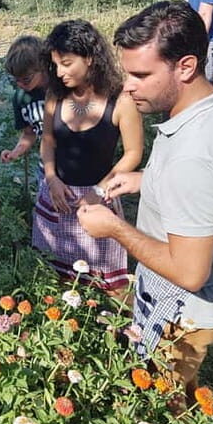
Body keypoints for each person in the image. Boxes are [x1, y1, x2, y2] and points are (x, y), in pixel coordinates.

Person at [77, 1, 213, 398]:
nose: (128, 86)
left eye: (141, 75)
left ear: (186, 67)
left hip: (185, 312)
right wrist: (148, 179)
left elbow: (190, 273)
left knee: (165, 402)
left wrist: (115, 227)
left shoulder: (192, 159)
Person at [33, 19, 143, 294]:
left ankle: (123, 331)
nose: (59, 73)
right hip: (56, 198)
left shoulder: (121, 101)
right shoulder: (55, 96)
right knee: (56, 278)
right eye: (55, 64)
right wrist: (51, 178)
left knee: (109, 284)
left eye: (66, 64)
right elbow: (47, 140)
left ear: (91, 58)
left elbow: (133, 153)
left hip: (97, 201)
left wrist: (99, 190)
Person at [0, 36, 48, 183]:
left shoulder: (61, 88)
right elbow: (29, 133)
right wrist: (16, 152)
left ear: (43, 66)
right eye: (16, 80)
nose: (20, 84)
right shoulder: (20, 98)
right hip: (47, 167)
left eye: (26, 79)